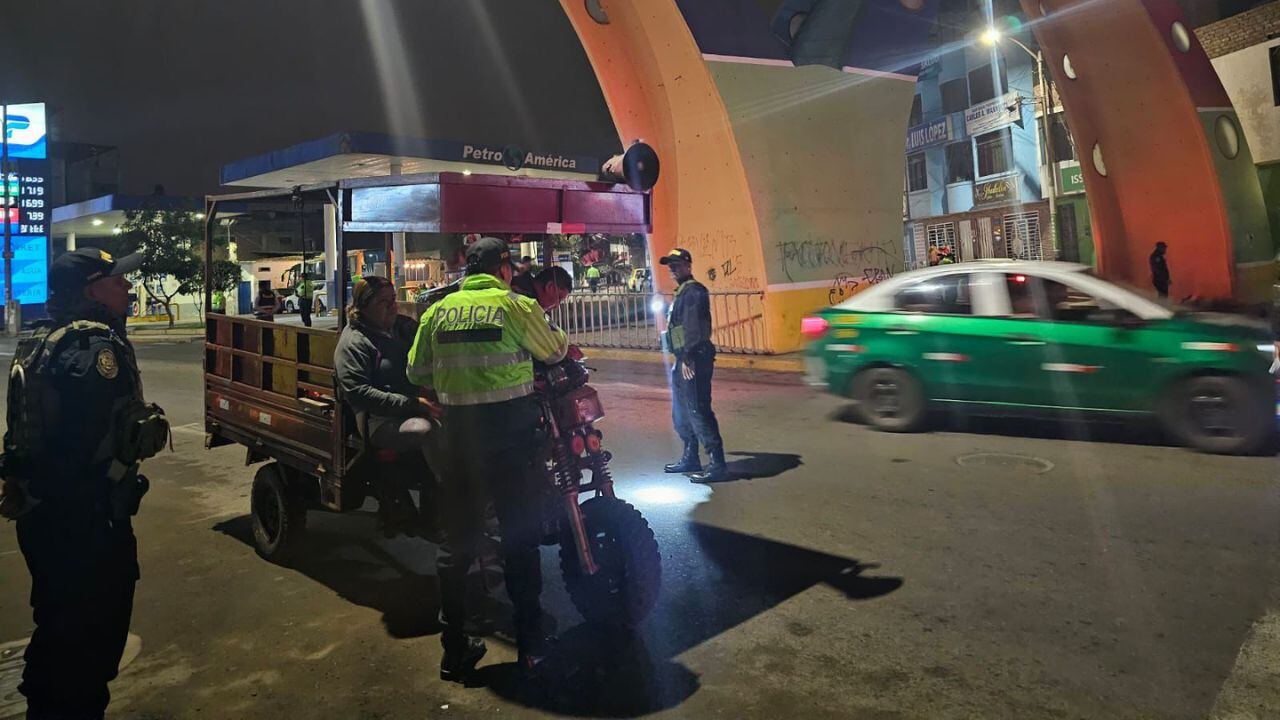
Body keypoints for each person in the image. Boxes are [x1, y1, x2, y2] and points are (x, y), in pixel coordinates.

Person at [1, 247, 168, 719]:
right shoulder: (94, 349)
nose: (128, 288)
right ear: (92, 292)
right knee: (86, 645)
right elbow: (86, 443)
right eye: (117, 281)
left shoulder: (44, 338)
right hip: (83, 521)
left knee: (58, 628)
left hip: (45, 514)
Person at [407, 236, 569, 683]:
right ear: (503, 268)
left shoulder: (438, 311)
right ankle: (531, 646)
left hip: (460, 443)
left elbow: (415, 371)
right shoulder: (516, 306)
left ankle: (454, 649)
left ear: (467, 269)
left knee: (456, 547)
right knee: (519, 540)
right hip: (512, 444)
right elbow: (555, 351)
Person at [335, 276, 439, 538]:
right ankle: (433, 516)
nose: (393, 306)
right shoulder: (354, 342)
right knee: (430, 431)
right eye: (384, 302)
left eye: (393, 300)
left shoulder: (403, 327)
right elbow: (359, 393)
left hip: (416, 406)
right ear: (364, 306)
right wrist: (413, 403)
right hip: (379, 419)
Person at [659, 248, 727, 482]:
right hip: (684, 357)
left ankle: (717, 463)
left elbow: (693, 328)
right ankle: (690, 456)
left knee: (697, 408)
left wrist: (687, 357)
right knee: (681, 410)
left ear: (688, 265)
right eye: (670, 265)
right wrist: (679, 355)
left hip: (694, 357)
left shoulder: (694, 292)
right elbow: (679, 328)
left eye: (676, 264)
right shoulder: (682, 292)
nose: (672, 269)